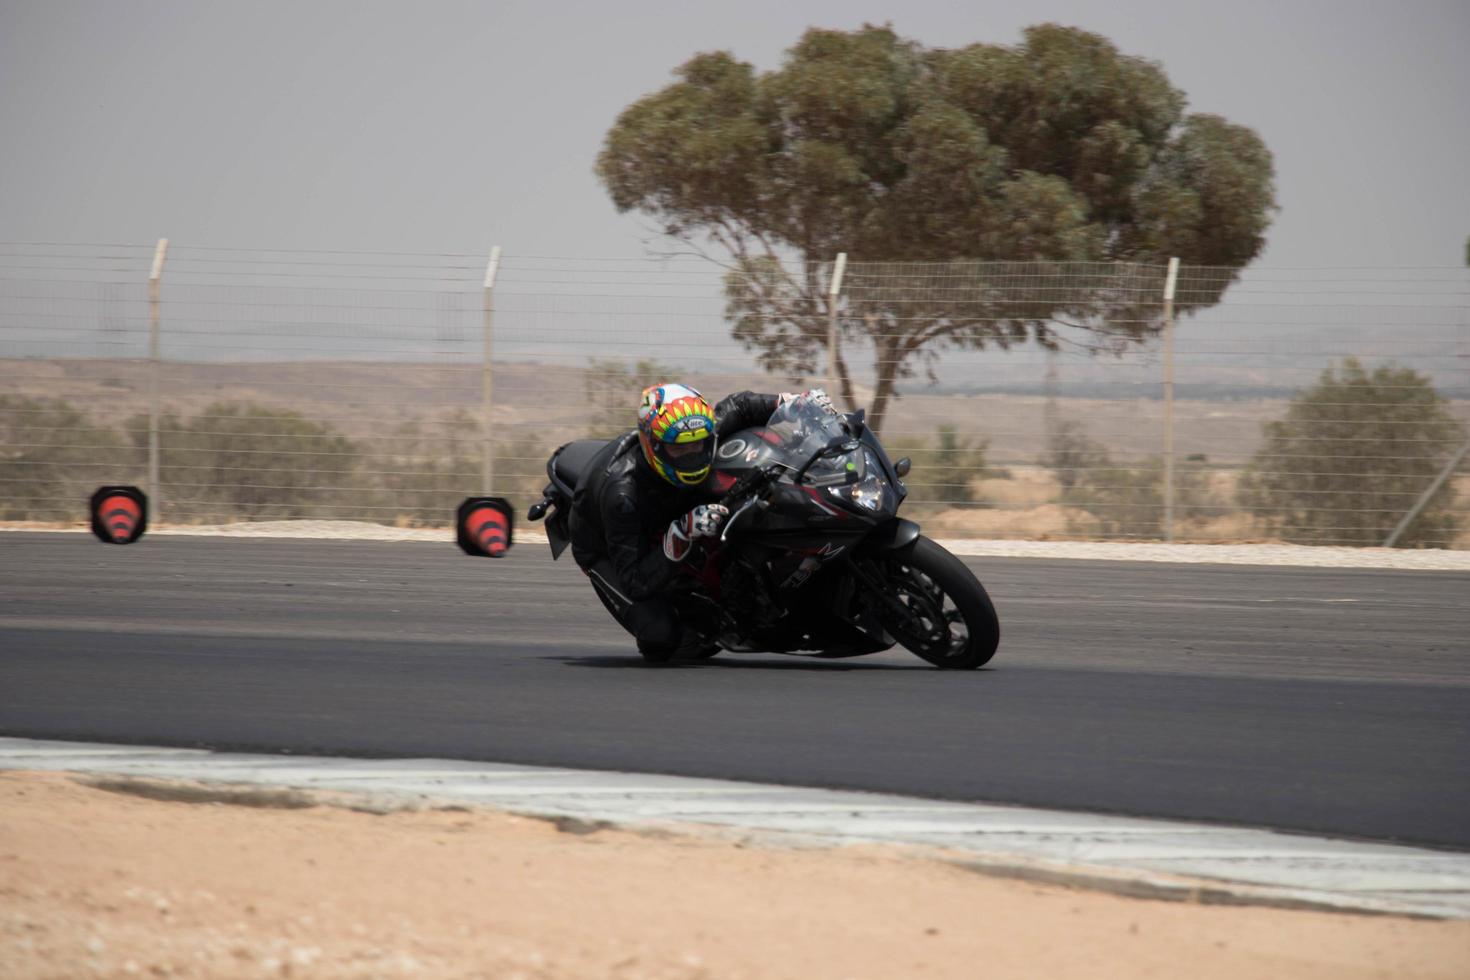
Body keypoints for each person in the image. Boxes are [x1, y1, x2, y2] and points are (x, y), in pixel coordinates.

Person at [569, 383, 832, 659]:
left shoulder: (695, 428)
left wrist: (790, 402)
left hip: (668, 505)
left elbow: (739, 405)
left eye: (699, 444)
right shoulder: (623, 496)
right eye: (679, 450)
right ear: (654, 446)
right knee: (661, 638)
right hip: (604, 544)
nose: (692, 454)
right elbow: (635, 581)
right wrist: (681, 533)